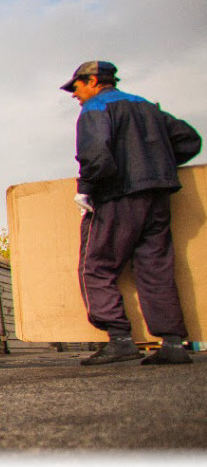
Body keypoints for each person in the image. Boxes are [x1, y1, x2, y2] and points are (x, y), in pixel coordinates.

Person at [62, 60, 201, 366]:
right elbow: (190, 141)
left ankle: (120, 339)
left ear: (94, 80)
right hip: (158, 196)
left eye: (76, 87)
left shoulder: (96, 108)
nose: (74, 94)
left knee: (97, 266)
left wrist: (86, 186)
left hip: (117, 195)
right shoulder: (149, 108)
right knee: (155, 267)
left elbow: (96, 153)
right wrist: (155, 162)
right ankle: (173, 344)